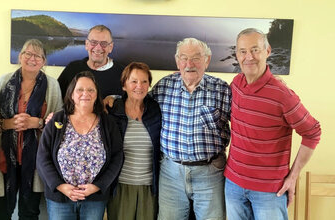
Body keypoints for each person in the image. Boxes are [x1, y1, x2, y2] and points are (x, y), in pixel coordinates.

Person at [224, 28, 321, 220]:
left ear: (267, 51)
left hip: (269, 192)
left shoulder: (283, 95)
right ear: (237, 55)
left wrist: (293, 176)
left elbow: (313, 132)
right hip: (233, 184)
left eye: (255, 50)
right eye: (243, 51)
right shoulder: (236, 84)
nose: (249, 57)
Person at [151, 38, 231, 220]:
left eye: (196, 58)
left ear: (207, 60)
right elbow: (137, 104)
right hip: (171, 173)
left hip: (210, 172)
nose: (189, 64)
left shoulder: (222, 90)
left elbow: (245, 124)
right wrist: (113, 99)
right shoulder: (164, 86)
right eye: (184, 58)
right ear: (177, 61)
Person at [0, 39, 63, 220]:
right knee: (0, 212)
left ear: (44, 61)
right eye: (28, 54)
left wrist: (37, 123)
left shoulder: (52, 85)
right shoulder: (4, 81)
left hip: (36, 160)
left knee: (30, 212)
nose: (32, 58)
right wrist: (7, 124)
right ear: (20, 56)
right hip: (4, 157)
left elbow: (59, 124)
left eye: (37, 55)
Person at [37, 71, 123, 220]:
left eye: (91, 90)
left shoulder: (108, 123)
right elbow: (42, 158)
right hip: (60, 197)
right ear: (71, 94)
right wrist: (60, 186)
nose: (85, 94)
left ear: (96, 95)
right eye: (80, 90)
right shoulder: (57, 119)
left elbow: (117, 157)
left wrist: (97, 186)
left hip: (94, 198)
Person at [106, 62, 161, 220]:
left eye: (144, 81)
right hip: (120, 186)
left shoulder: (155, 110)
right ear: (124, 85)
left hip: (149, 188)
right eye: (134, 81)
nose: (140, 86)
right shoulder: (112, 110)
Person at [57, 25, 124, 98]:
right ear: (86, 44)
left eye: (104, 43)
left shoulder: (122, 73)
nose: (98, 48)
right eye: (93, 42)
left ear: (110, 47)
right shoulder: (72, 68)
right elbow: (57, 98)